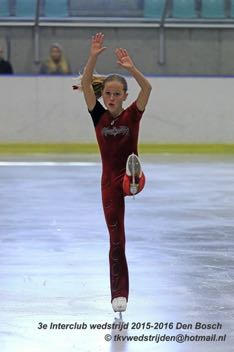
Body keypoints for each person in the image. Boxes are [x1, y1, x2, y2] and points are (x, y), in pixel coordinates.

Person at [76, 32, 152, 313]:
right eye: (107, 93)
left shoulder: (133, 114)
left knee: (132, 178)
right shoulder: (98, 115)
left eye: (116, 93)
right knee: (116, 236)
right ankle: (118, 294)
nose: (110, 97)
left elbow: (148, 90)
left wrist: (131, 69)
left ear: (124, 95)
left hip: (130, 174)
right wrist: (93, 55)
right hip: (109, 181)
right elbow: (85, 84)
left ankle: (133, 180)